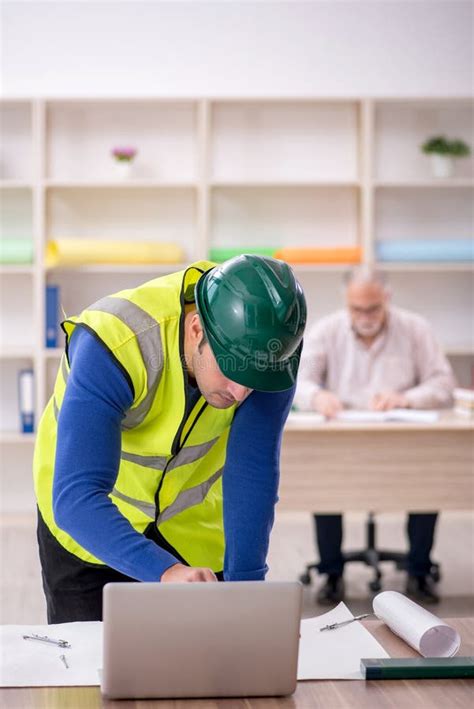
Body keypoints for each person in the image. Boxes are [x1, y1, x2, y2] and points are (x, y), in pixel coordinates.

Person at [34, 256, 307, 623]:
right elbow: (76, 498)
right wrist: (164, 572)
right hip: (92, 528)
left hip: (187, 532)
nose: (242, 393)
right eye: (231, 370)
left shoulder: (271, 355)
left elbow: (252, 474)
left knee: (211, 667)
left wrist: (248, 592)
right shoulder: (114, 344)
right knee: (88, 669)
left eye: (253, 378)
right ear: (197, 330)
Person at [295, 267, 455, 605]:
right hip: (342, 439)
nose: (365, 317)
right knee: (323, 485)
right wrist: (318, 397)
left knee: (429, 482)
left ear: (387, 299)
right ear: (346, 302)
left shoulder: (415, 329)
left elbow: (443, 384)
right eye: (357, 309)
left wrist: (406, 398)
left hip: (403, 440)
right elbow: (299, 383)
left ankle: (419, 570)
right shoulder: (326, 331)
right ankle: (331, 571)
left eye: (373, 309)